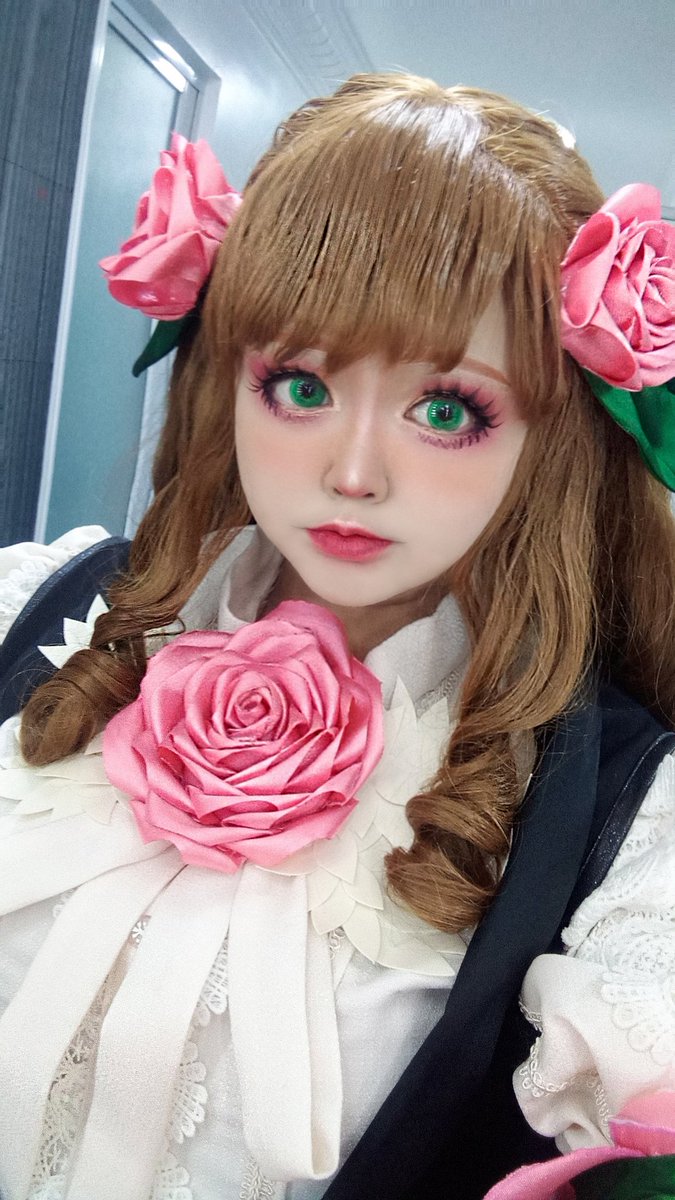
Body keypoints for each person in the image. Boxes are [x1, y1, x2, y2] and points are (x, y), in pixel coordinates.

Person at [1, 72, 674, 1200]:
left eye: (446, 409)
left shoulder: (628, 818)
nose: (353, 473)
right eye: (300, 386)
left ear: (547, 435)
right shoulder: (35, 604)